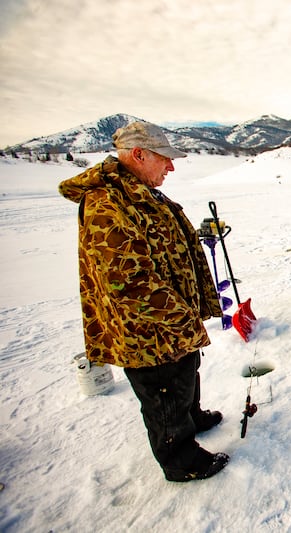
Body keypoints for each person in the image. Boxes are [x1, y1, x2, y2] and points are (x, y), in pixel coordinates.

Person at [59, 121, 229, 482]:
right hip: (148, 330)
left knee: (185, 370)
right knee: (163, 390)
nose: (171, 167)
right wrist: (181, 316)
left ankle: (192, 416)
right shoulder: (107, 202)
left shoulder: (139, 191)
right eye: (164, 158)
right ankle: (181, 461)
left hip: (171, 318)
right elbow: (128, 282)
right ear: (138, 154)